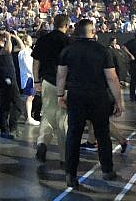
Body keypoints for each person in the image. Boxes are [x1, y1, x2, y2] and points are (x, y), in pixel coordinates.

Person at [57, 19, 123, 187]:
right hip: (98, 97)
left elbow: (61, 75)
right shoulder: (102, 51)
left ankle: (70, 175)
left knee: (73, 135)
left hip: (76, 97)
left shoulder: (67, 50)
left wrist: (60, 95)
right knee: (103, 135)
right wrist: (118, 101)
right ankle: (107, 171)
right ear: (93, 32)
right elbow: (112, 78)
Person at [31, 14, 70, 163]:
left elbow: (36, 62)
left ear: (53, 24)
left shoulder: (43, 39)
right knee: (62, 119)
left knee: (47, 114)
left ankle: (42, 143)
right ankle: (64, 156)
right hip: (64, 84)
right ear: (66, 26)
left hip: (47, 81)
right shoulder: (68, 41)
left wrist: (36, 81)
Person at [0, 29, 25, 139]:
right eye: (2, 34)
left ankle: (6, 130)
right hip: (5, 78)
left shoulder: (7, 45)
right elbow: (7, 51)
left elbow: (22, 48)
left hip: (11, 76)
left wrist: (15, 37)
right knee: (17, 103)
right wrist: (9, 39)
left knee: (6, 104)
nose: (5, 35)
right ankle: (12, 128)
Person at [18, 34, 39, 126]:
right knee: (29, 97)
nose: (31, 41)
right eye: (29, 39)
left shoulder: (29, 51)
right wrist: (35, 74)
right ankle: (29, 118)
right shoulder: (25, 52)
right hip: (29, 77)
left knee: (31, 97)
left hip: (30, 76)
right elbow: (28, 66)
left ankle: (28, 116)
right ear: (25, 41)